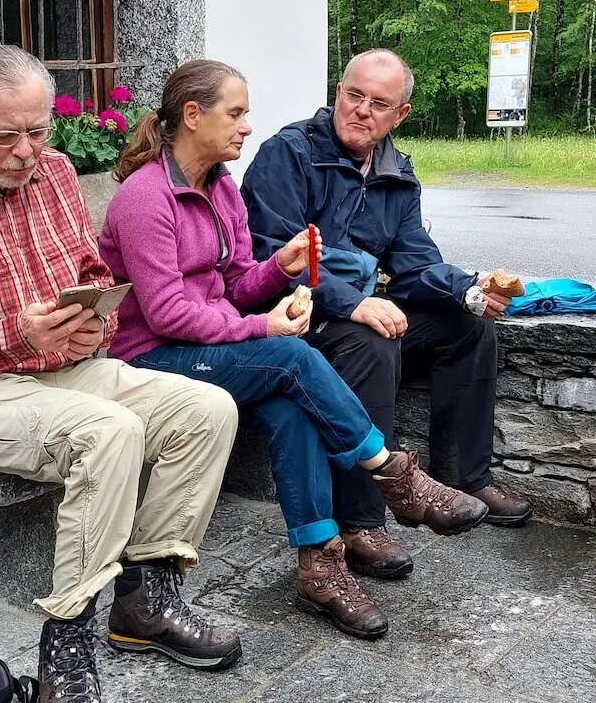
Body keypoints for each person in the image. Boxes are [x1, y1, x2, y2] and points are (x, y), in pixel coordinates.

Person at [0, 46, 243, 703]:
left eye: (38, 131)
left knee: (208, 409)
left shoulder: (55, 174)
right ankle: (65, 655)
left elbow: (92, 272)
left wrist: (93, 314)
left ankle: (148, 599)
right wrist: (16, 333)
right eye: (7, 135)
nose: (26, 151)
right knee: (110, 432)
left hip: (71, 370)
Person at [97, 60, 488, 644]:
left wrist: (277, 269)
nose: (247, 127)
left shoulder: (221, 186)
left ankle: (319, 567)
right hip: (152, 360)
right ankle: (394, 474)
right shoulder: (145, 197)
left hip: (211, 353)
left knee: (293, 405)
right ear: (192, 116)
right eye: (236, 113)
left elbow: (231, 285)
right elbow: (167, 315)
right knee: (294, 357)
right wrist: (262, 327)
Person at [241, 49, 534, 583]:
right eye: (353, 95)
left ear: (400, 115)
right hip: (293, 315)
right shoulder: (288, 154)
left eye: (379, 103)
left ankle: (462, 477)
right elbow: (266, 253)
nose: (361, 110)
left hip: (356, 308)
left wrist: (468, 290)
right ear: (337, 93)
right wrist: (351, 302)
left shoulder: (397, 174)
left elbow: (416, 261)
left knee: (469, 327)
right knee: (370, 341)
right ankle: (359, 524)